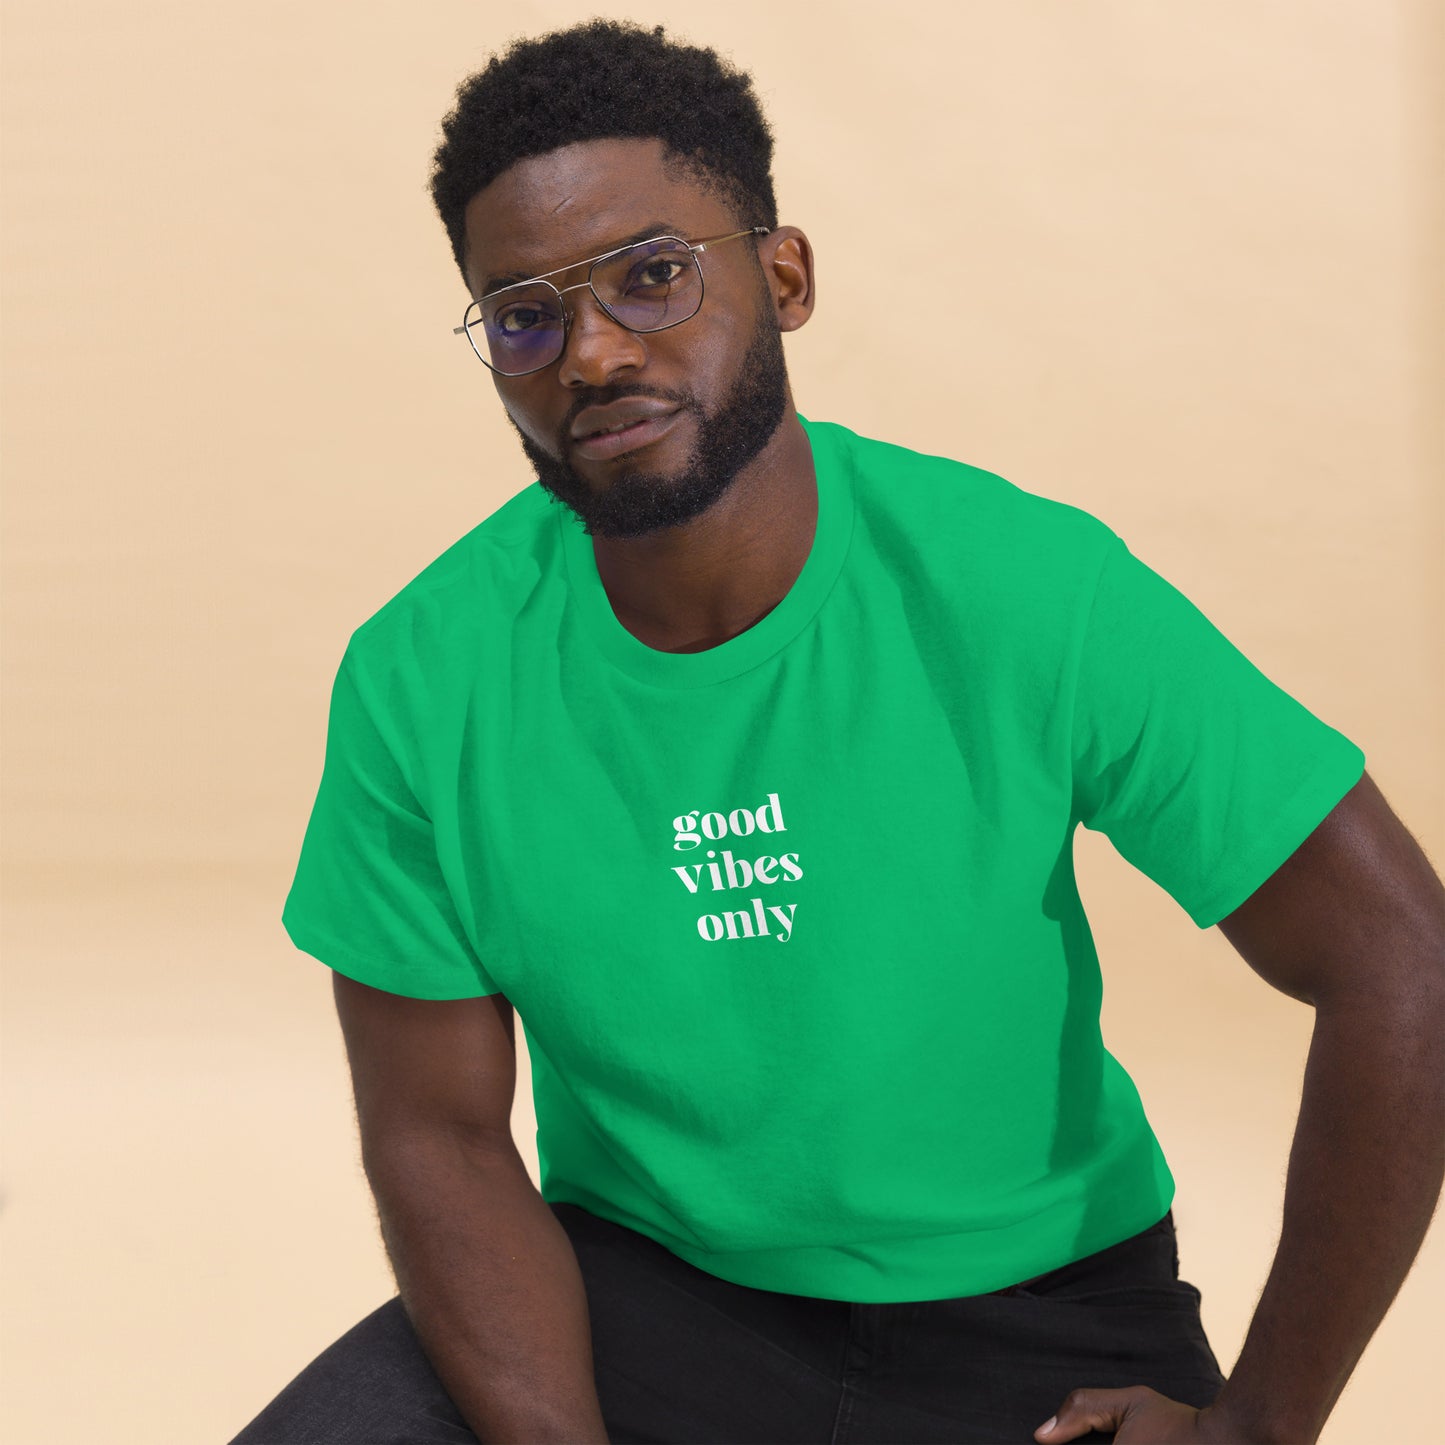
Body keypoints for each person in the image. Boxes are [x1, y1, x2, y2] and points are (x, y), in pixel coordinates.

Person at [231, 19, 1445, 1445]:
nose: (594, 352)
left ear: (783, 276)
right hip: (644, 1298)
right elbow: (434, 1131)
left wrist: (1260, 1423)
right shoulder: (421, 675)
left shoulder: (1020, 586)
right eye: (524, 316)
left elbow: (1399, 958)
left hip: (1035, 1323)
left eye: (652, 274)